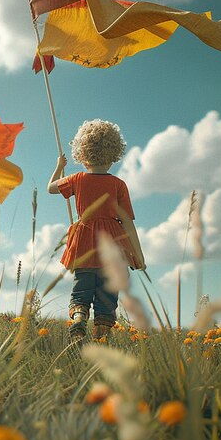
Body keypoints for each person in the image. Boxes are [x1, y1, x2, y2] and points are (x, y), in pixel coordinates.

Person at [48, 119, 146, 342]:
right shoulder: (118, 184)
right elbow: (128, 223)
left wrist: (59, 168)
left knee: (81, 289)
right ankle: (101, 337)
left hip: (84, 241)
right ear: (113, 153)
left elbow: (51, 188)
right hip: (113, 244)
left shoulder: (76, 179)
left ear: (82, 154)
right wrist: (137, 255)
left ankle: (79, 316)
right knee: (107, 295)